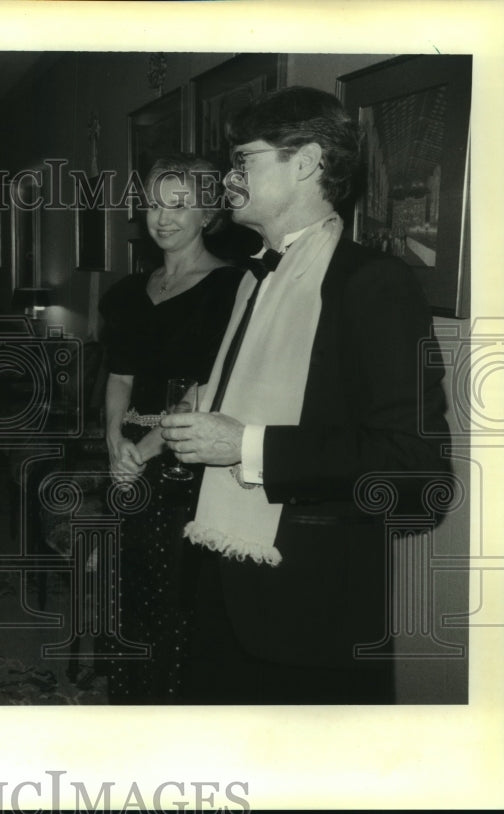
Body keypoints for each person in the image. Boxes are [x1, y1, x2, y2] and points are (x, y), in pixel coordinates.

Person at [160, 86, 450, 704]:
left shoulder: (374, 284)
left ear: (308, 161)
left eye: (245, 161)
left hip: (311, 616)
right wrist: (205, 410)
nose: (229, 180)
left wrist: (246, 444)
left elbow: (417, 470)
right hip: (222, 580)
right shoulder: (252, 277)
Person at [98, 155, 242, 703]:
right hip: (127, 466)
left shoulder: (231, 288)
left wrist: (146, 448)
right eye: (156, 204)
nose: (164, 218)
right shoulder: (132, 290)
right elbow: (119, 374)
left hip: (186, 464)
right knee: (130, 592)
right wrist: (115, 441)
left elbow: (209, 385)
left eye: (180, 205)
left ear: (208, 212)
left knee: (177, 599)